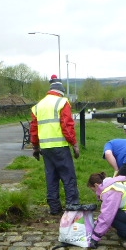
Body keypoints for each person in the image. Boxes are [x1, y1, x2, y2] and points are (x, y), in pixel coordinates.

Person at [30, 75, 81, 215]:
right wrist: (75, 144)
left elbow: (34, 128)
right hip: (60, 147)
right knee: (68, 176)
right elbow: (67, 125)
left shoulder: (38, 106)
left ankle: (54, 207)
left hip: (45, 149)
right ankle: (72, 205)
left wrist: (35, 147)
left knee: (51, 177)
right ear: (61, 92)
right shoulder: (62, 102)